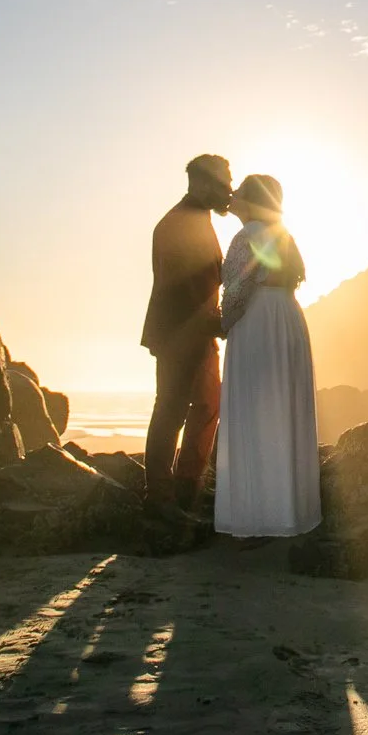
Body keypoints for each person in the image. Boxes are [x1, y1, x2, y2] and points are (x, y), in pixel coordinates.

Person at [213, 174, 322, 538]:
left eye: (239, 192)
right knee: (283, 408)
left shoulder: (247, 236)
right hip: (287, 318)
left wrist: (223, 324)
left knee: (253, 408)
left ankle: (256, 515)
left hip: (258, 322)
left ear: (251, 200)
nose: (232, 196)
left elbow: (238, 288)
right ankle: (288, 511)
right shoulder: (283, 235)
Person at [140, 154, 232, 513]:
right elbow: (180, 285)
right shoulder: (179, 223)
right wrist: (219, 323)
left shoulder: (196, 219)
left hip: (194, 331)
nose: (229, 191)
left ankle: (184, 489)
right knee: (172, 410)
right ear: (201, 183)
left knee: (205, 406)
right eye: (224, 183)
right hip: (180, 334)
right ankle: (161, 497)